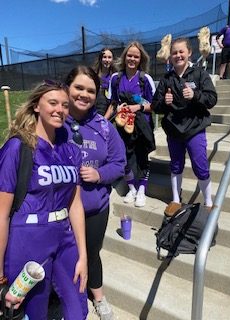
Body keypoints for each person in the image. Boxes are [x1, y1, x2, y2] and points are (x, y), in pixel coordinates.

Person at [0, 81, 88, 319]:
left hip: (64, 236)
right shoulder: (17, 147)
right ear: (37, 106)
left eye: (65, 105)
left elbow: (75, 203)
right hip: (28, 238)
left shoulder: (71, 151)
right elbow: (1, 213)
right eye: (53, 103)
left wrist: (83, 254)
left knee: (78, 309)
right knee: (33, 312)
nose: (60, 109)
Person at [64, 66, 126, 320]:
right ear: (67, 87)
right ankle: (66, 297)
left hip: (94, 208)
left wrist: (99, 175)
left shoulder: (104, 126)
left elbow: (119, 163)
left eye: (91, 90)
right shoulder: (55, 119)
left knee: (90, 254)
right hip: (59, 208)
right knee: (63, 256)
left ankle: (98, 297)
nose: (84, 95)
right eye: (79, 88)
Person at [151, 38, 218, 216]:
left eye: (181, 51)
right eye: (174, 52)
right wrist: (165, 103)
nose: (178, 55)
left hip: (195, 129)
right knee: (176, 165)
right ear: (170, 57)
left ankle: (209, 202)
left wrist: (195, 95)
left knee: (200, 165)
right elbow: (155, 106)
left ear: (189, 53)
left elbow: (211, 99)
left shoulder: (199, 74)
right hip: (173, 130)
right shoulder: (166, 79)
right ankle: (175, 200)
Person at [108, 41, 156, 207]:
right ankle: (131, 189)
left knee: (142, 157)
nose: (132, 59)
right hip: (123, 126)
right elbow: (113, 103)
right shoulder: (115, 78)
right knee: (124, 158)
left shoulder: (145, 79)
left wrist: (138, 106)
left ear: (140, 58)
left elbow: (154, 105)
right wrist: (107, 118)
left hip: (142, 126)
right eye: (130, 55)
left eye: (136, 56)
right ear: (124, 57)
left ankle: (142, 189)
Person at [93, 47, 117, 119]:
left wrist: (105, 118)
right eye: (104, 57)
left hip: (110, 112)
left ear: (112, 59)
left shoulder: (115, 76)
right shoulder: (94, 75)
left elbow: (114, 101)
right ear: (100, 59)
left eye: (109, 57)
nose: (107, 60)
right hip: (96, 110)